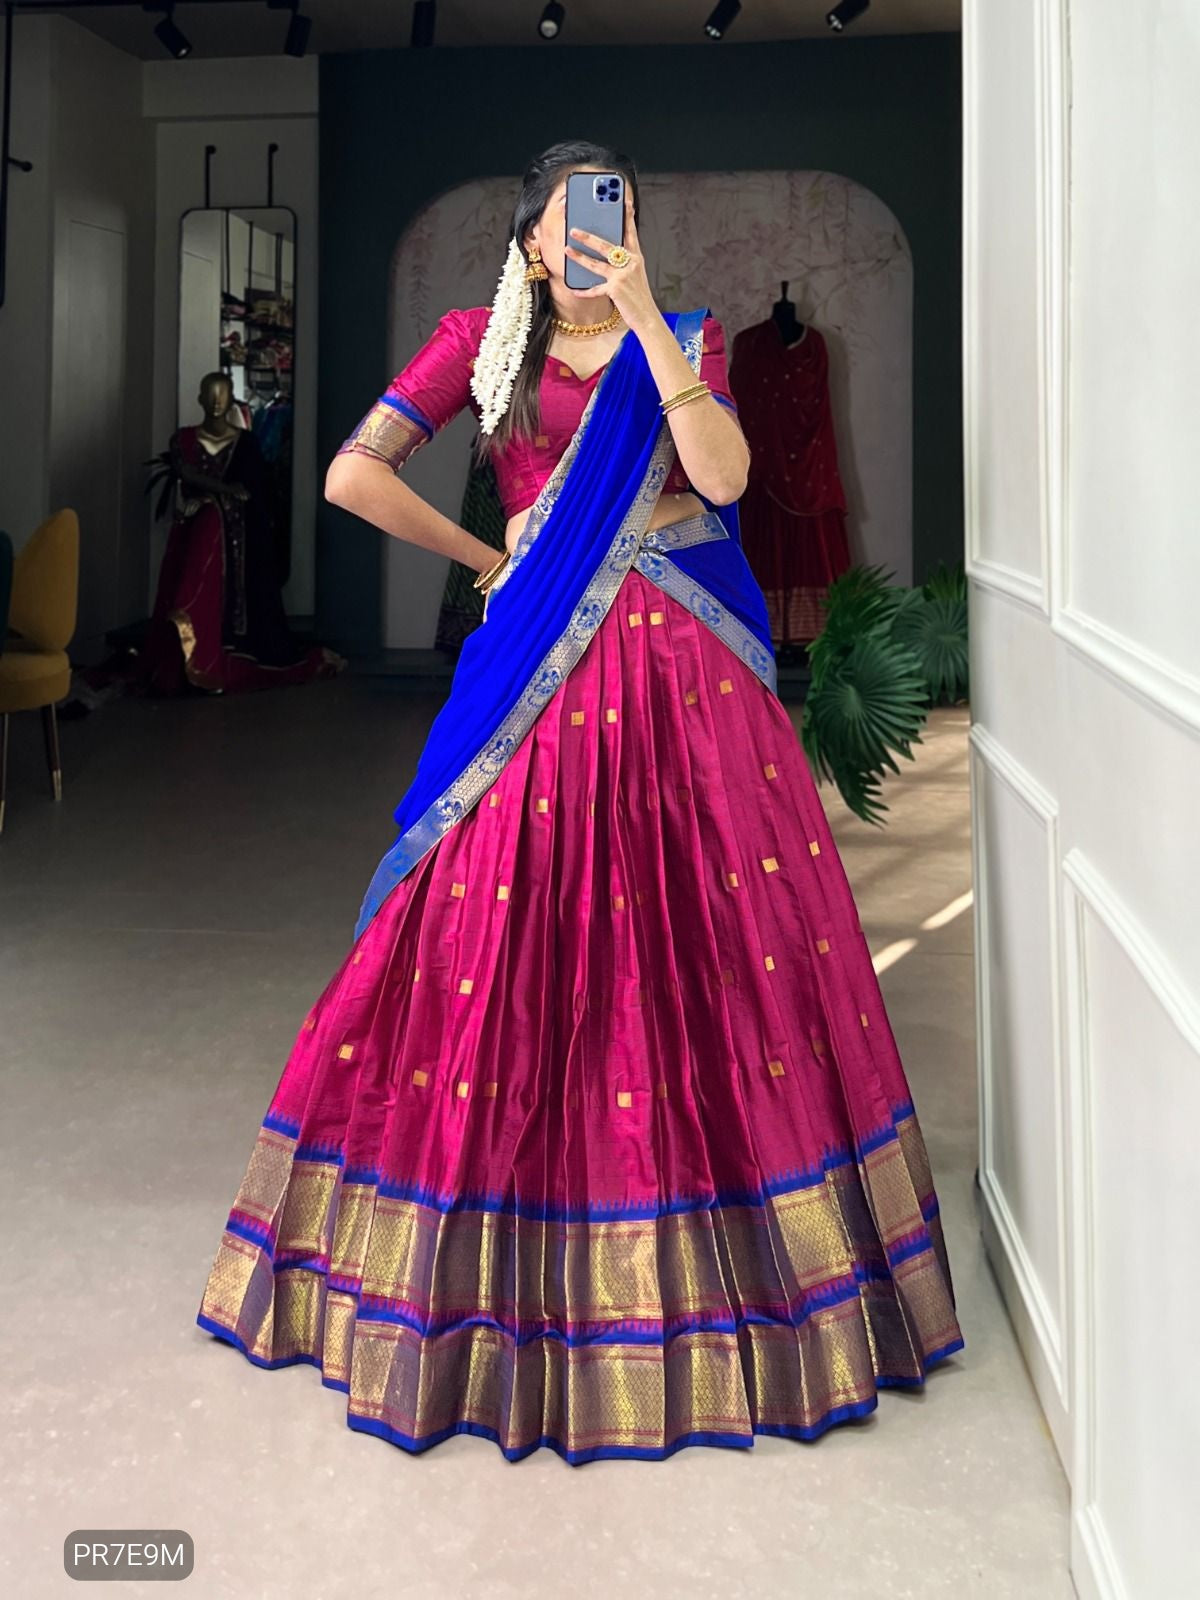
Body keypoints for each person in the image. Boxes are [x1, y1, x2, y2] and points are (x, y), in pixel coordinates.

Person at [195, 141, 964, 1465]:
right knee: (498, 937)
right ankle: (486, 1272)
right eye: (575, 218)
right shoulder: (478, 342)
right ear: (532, 241)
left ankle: (737, 1267)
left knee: (712, 951)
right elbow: (351, 475)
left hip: (688, 680)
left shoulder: (690, 337)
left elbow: (723, 480)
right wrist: (490, 556)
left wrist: (654, 320)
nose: (600, 234)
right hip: (538, 673)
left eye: (619, 211)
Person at [142, 371, 343, 694]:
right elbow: (186, 474)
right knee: (196, 567)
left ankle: (221, 651)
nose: (216, 401)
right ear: (200, 398)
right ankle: (192, 654)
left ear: (232, 397)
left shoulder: (246, 443)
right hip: (198, 528)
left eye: (222, 393)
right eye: (210, 394)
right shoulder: (184, 440)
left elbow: (255, 493)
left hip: (239, 536)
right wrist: (221, 492)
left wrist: (225, 501)